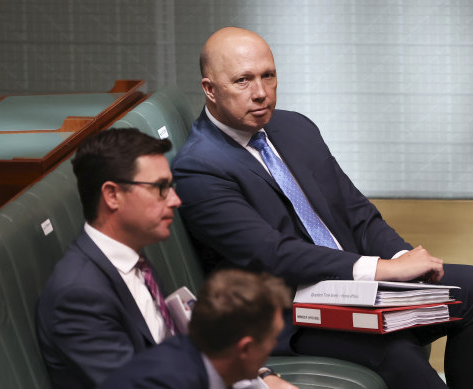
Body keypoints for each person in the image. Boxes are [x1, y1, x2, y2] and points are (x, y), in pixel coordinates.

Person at [172, 27, 473, 389]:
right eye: (243, 81)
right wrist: (382, 269)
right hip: (287, 311)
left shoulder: (294, 127)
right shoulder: (199, 167)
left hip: (351, 284)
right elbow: (272, 254)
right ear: (210, 89)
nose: (261, 93)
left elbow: (356, 211)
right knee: (394, 350)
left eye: (268, 75)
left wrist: (402, 258)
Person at [36, 128, 294, 389]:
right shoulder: (78, 295)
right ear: (112, 195)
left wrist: (262, 379)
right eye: (160, 188)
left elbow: (190, 352)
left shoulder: (133, 260)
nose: (175, 200)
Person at [100, 269, 291, 389]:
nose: (274, 344)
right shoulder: (165, 382)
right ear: (246, 348)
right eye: (272, 337)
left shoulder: (207, 354)